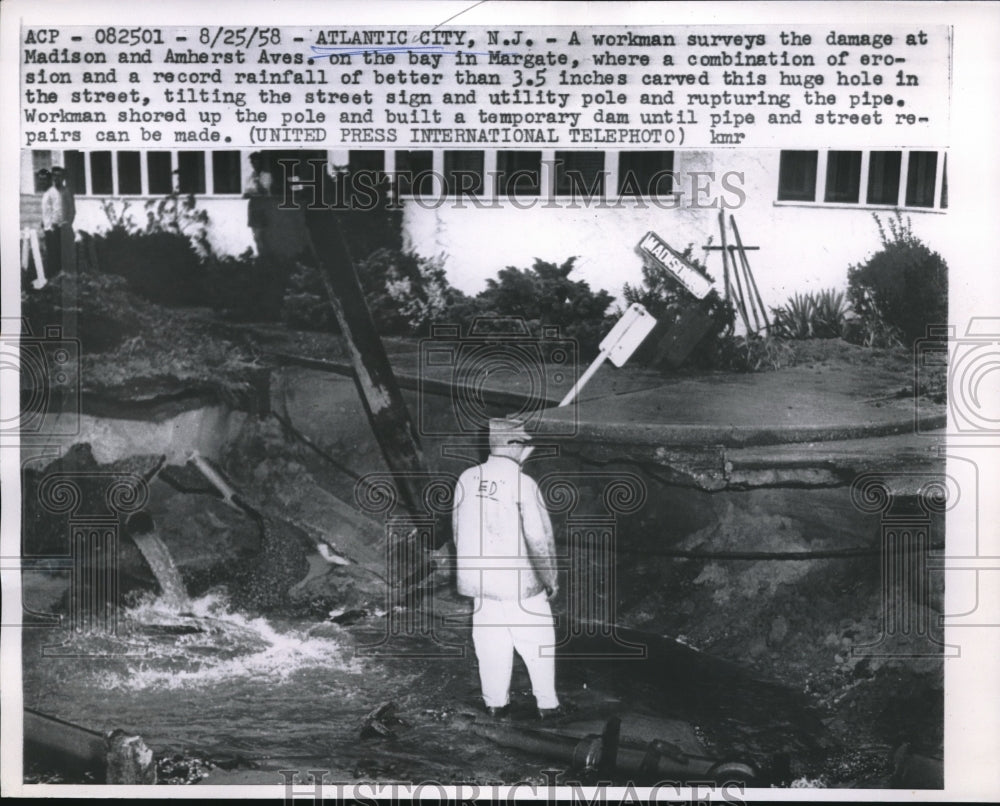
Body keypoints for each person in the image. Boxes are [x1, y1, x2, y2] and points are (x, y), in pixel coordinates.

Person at [452, 417, 562, 719]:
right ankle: (548, 706)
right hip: (519, 583)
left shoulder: (467, 478)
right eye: (525, 444)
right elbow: (539, 539)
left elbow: (458, 530)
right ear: (515, 447)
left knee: (490, 642)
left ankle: (496, 704)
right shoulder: (523, 484)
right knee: (537, 640)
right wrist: (550, 578)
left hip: (481, 582)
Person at [243, 151, 274, 261]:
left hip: (262, 206)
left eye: (256, 162)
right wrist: (250, 193)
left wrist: (257, 182)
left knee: (262, 234)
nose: (254, 165)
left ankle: (266, 257)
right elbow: (245, 194)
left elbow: (264, 192)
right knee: (255, 235)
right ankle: (261, 257)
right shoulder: (250, 176)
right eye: (252, 163)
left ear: (260, 163)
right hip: (253, 206)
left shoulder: (266, 175)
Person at [52, 166, 77, 274]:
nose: (56, 178)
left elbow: (72, 210)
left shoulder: (67, 191)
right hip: (54, 228)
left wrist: (67, 223)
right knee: (54, 254)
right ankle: (56, 277)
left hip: (65, 228)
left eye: (59, 176)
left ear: (63, 178)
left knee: (67, 255)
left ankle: (69, 276)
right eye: (54, 176)